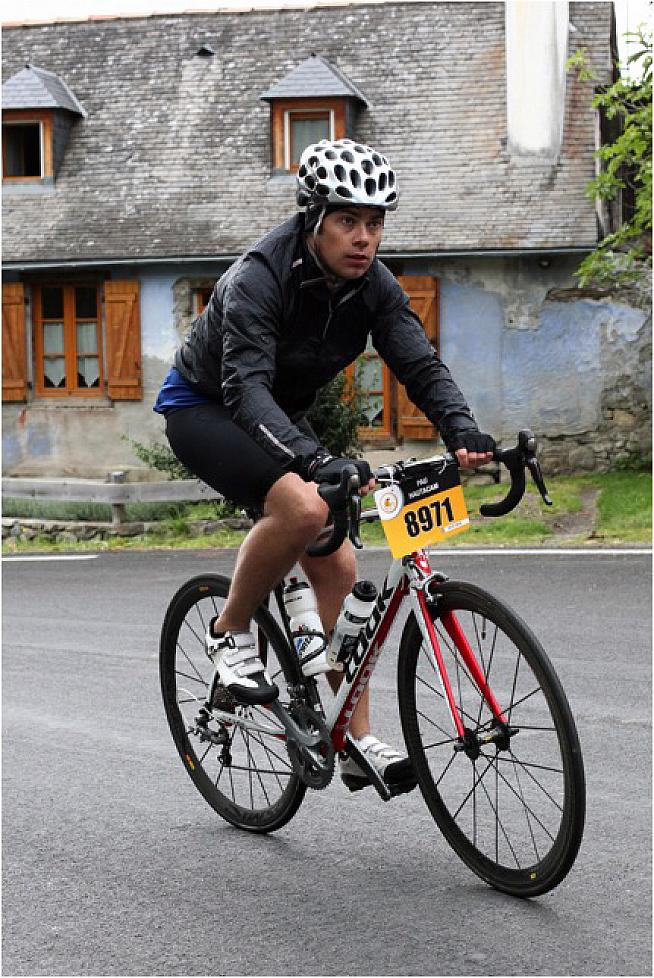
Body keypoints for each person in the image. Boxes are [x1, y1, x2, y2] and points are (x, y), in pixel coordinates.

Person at [154, 138, 495, 792]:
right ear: (313, 218)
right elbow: (245, 391)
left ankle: (353, 736)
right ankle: (230, 632)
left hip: (277, 414)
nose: (363, 238)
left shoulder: (374, 286)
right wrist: (315, 460)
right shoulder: (260, 278)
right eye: (347, 220)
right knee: (305, 507)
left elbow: (419, 365)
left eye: (375, 222)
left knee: (338, 565)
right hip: (207, 407)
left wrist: (464, 430)